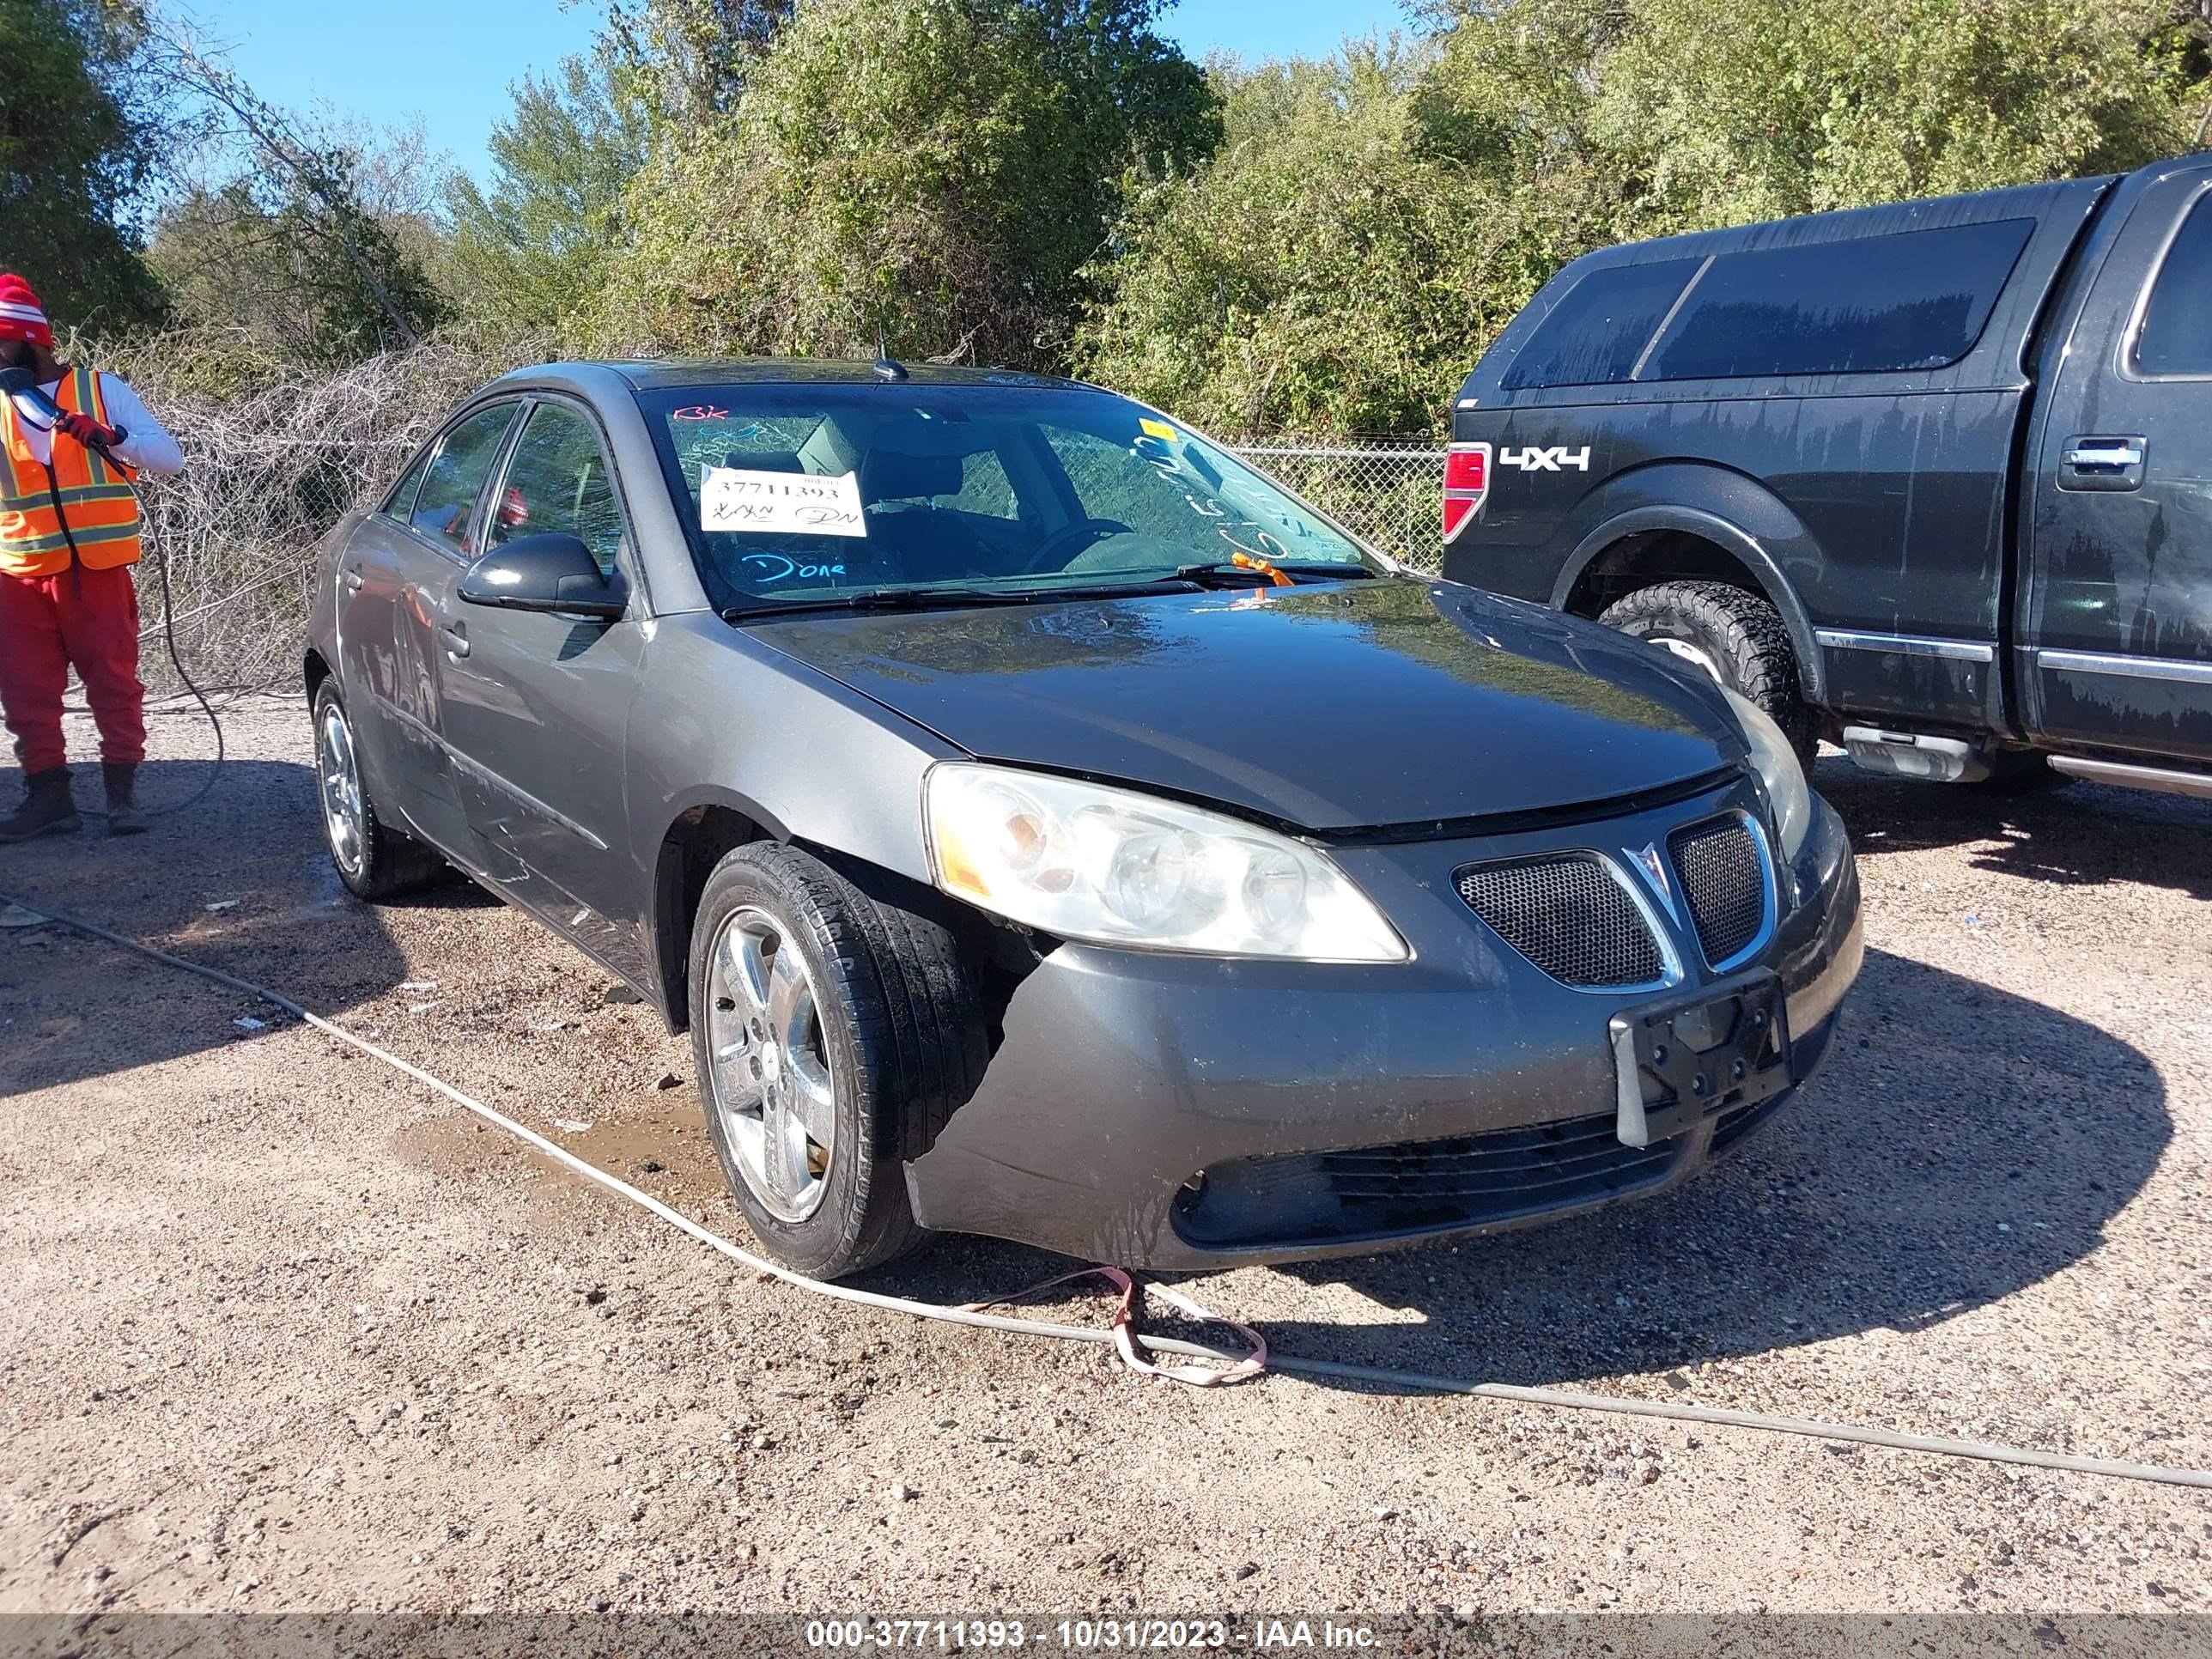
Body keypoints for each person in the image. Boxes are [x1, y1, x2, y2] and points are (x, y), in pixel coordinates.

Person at [0, 272, 185, 842]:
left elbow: (169, 458)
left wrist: (113, 435)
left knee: (114, 684)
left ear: (29, 343)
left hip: (97, 573)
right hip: (19, 576)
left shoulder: (103, 391)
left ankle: (121, 798)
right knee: (26, 692)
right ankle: (50, 800)